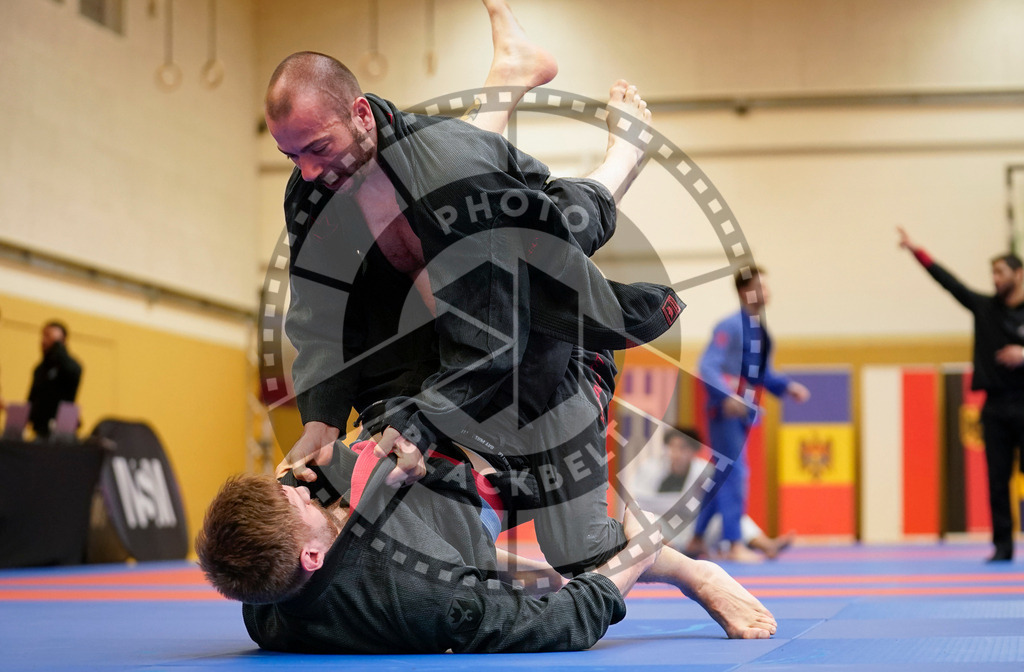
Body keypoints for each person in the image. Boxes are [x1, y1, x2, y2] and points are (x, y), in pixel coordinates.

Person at [268, 0, 776, 638]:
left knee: (579, 548)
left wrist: (419, 424)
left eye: (318, 148)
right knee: (393, 461)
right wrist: (318, 420)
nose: (310, 172)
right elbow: (317, 312)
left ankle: (625, 153)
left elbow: (504, 337)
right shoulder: (317, 188)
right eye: (292, 157)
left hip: (539, 334)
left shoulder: (455, 167)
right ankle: (510, 72)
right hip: (435, 336)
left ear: (362, 114)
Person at [196, 438, 663, 654]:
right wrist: (640, 552)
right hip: (463, 503)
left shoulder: (261, 603)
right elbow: (566, 623)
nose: (300, 490)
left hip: (401, 523)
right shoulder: (428, 594)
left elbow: (294, 511)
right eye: (299, 504)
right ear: (312, 557)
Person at [898, 226, 1024, 562]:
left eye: (1001, 272)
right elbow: (949, 283)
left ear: (1019, 274)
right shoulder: (985, 308)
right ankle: (1002, 545)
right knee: (997, 480)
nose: (995, 278)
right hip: (995, 406)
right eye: (992, 273)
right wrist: (917, 251)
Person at [687, 267, 809, 563]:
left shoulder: (759, 330)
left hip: (743, 410)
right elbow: (707, 366)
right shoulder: (729, 326)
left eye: (767, 287)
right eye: (760, 287)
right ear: (744, 292)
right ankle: (733, 543)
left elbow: (761, 373)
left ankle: (697, 539)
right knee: (736, 472)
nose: (766, 293)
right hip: (725, 411)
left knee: (721, 475)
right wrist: (727, 395)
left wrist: (786, 386)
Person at [638, 427, 793, 560]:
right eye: (673, 447)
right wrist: (675, 503)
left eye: (683, 448)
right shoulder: (651, 469)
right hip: (667, 528)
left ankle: (767, 545)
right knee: (646, 520)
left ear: (693, 451)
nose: (677, 453)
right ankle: (672, 555)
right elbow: (637, 500)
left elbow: (715, 501)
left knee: (734, 518)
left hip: (696, 528)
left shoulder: (704, 471)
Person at [28, 321, 82, 439]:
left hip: (64, 430)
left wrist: (58, 345)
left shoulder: (70, 367)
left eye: (48, 336)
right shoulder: (39, 370)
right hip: (41, 431)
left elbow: (74, 372)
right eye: (43, 335)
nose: (43, 340)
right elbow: (31, 400)